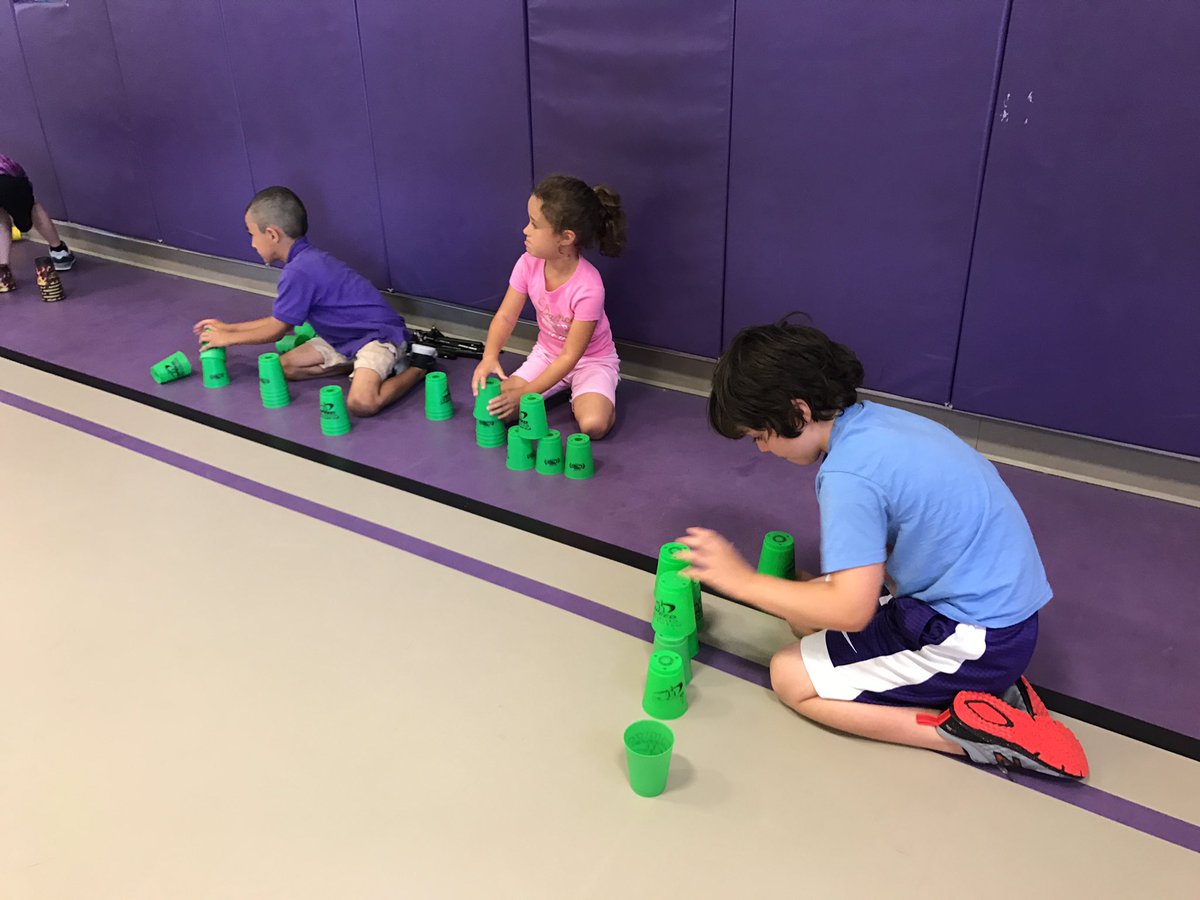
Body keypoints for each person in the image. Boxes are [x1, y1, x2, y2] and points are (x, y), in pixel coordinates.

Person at [677, 316, 1088, 778]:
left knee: (790, 676)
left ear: (798, 411)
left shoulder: (847, 477)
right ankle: (983, 690)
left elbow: (852, 610)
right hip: (993, 613)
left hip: (980, 638)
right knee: (802, 616)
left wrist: (741, 581)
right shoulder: (875, 423)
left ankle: (966, 735)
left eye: (760, 435)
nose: (761, 451)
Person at [193, 187, 428, 417]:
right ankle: (364, 367)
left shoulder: (299, 271)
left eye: (252, 234)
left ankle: (419, 366)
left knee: (361, 403)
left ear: (272, 234)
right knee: (284, 367)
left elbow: (276, 331)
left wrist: (229, 338)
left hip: (378, 337)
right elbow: (279, 320)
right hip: (345, 339)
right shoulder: (304, 262)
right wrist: (229, 327)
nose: (252, 244)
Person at [471, 174, 625, 439]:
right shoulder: (527, 263)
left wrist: (526, 393)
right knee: (498, 409)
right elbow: (506, 316)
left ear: (565, 237)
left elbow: (571, 357)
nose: (525, 230)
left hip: (591, 362)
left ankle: (593, 393)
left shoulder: (590, 287)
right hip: (547, 355)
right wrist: (490, 356)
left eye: (534, 224)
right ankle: (560, 390)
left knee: (593, 426)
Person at [0, 154, 76, 293]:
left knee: (0, 219)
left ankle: (3, 272)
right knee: (33, 207)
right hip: (7, 178)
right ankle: (59, 252)